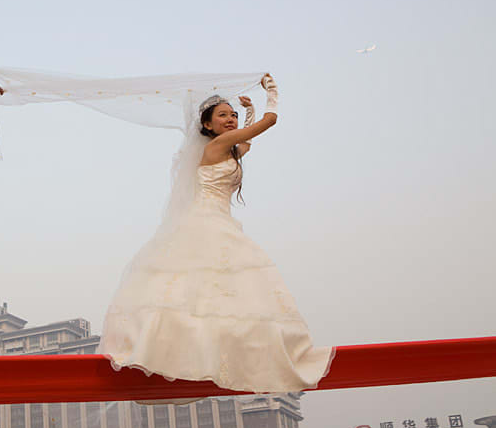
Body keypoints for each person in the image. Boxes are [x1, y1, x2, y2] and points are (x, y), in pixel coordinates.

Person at [98, 75, 334, 394]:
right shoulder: (217, 145)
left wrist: (247, 112)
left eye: (232, 115)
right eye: (223, 115)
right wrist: (271, 93)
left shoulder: (228, 149)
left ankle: (213, 349)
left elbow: (246, 144)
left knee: (214, 288)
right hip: (206, 220)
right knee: (215, 285)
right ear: (207, 125)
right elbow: (270, 122)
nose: (230, 118)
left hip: (218, 219)